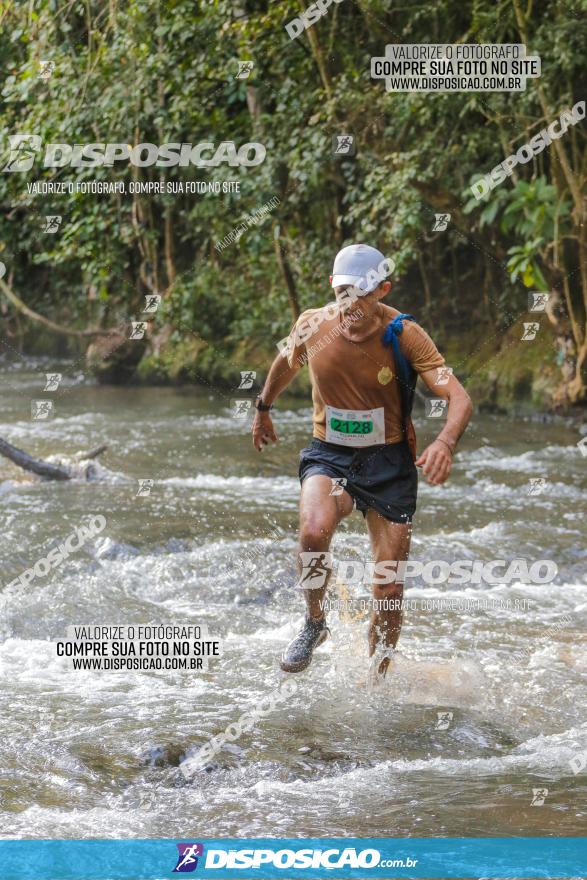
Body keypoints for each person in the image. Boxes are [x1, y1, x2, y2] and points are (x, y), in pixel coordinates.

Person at [251, 244, 472, 674]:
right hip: (329, 456)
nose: (349, 305)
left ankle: (377, 683)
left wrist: (444, 442)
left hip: (388, 463)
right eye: (342, 294)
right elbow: (285, 362)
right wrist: (263, 408)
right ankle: (315, 622)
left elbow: (458, 397)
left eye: (360, 295)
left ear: (383, 290)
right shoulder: (314, 326)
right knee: (313, 532)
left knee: (388, 592)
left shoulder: (404, 334)